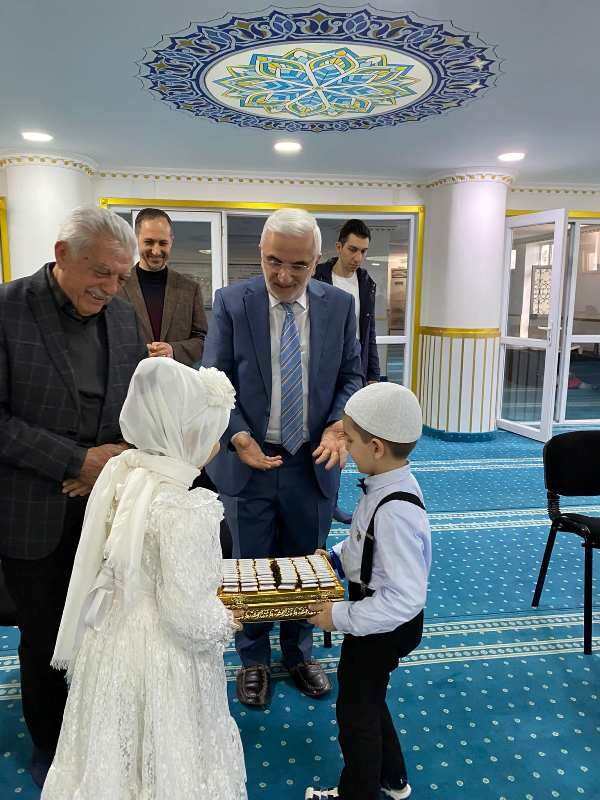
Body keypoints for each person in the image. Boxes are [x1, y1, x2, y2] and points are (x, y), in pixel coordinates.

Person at [41, 359, 247, 800]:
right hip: (163, 654)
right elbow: (187, 617)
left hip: (110, 638)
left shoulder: (125, 475)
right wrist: (228, 619)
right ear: (181, 436)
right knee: (169, 745)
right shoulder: (185, 508)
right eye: (208, 433)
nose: (215, 444)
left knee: (114, 745)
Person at [0, 207, 146, 787]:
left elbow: (137, 407)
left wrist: (111, 462)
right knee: (44, 638)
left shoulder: (125, 315)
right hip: (32, 511)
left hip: (108, 508)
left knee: (104, 631)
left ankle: (97, 730)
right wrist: (74, 461)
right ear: (62, 254)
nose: (110, 288)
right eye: (101, 272)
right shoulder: (7, 309)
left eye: (121, 276)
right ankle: (53, 746)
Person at [202, 208, 363, 707]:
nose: (284, 276)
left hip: (311, 460)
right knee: (250, 565)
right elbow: (213, 380)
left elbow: (352, 376)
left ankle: (298, 651)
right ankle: (252, 658)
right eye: (274, 261)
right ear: (261, 253)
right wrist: (237, 435)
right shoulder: (232, 302)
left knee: (304, 563)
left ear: (318, 260)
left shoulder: (339, 306)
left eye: (298, 265)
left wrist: (337, 423)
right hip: (248, 460)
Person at [306, 382, 432, 800]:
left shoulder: (395, 510)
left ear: (375, 447)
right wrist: (335, 559)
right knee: (371, 698)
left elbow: (403, 598)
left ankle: (358, 793)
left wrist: (336, 616)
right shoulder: (384, 484)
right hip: (378, 617)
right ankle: (393, 779)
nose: (345, 446)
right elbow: (365, 541)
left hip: (382, 625)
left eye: (350, 439)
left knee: (356, 713)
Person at [315, 219, 380, 524]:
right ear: (339, 247)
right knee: (320, 434)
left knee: (346, 435)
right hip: (321, 370)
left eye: (363, 251)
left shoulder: (366, 283)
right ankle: (321, 499)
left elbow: (369, 333)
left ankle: (332, 500)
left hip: (353, 372)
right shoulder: (318, 277)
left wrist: (373, 375)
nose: (358, 257)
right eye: (353, 249)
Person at [119, 207, 208, 366]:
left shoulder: (190, 289)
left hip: (176, 380)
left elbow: (203, 339)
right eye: (149, 242)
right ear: (136, 239)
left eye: (163, 243)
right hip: (129, 380)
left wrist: (173, 350)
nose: (156, 251)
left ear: (171, 241)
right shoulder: (117, 286)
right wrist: (138, 352)